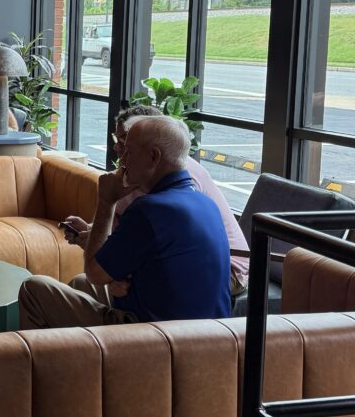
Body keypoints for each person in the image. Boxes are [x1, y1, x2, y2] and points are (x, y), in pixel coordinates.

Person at [19, 114, 231, 328]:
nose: (122, 159)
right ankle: (82, 355)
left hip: (158, 339)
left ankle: (49, 359)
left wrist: (106, 202)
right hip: (212, 337)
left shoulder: (150, 210)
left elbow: (95, 272)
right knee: (80, 284)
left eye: (129, 151)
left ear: (153, 157)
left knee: (33, 289)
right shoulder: (206, 203)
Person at [60, 105, 249, 297]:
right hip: (170, 260)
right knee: (80, 283)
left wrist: (122, 272)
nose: (117, 148)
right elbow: (127, 230)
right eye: (117, 139)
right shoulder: (138, 178)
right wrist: (91, 232)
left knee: (51, 288)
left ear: (152, 151)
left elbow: (171, 244)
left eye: (126, 142)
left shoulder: (180, 181)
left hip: (228, 268)